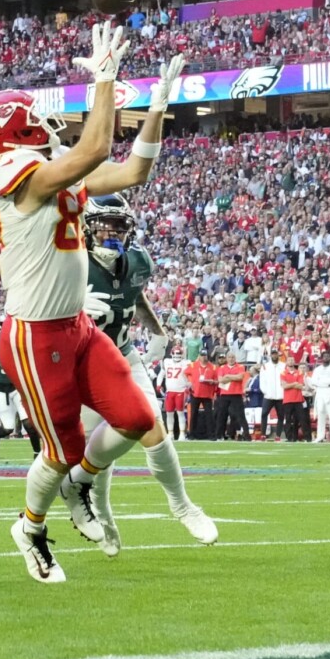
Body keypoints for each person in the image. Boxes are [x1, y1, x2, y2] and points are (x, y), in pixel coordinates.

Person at [0, 24, 208, 584]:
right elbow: (98, 147)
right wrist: (104, 79)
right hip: (35, 336)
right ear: (15, 133)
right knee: (62, 448)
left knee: (134, 417)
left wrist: (155, 108)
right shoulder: (11, 174)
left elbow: (132, 171)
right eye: (34, 117)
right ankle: (30, 528)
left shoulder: (52, 171)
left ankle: (82, 484)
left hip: (77, 327)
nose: (45, 121)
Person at [78, 192, 214, 555]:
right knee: (96, 453)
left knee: (151, 424)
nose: (112, 234)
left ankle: (183, 505)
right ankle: (104, 515)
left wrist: (156, 330)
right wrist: (72, 307)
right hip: (82, 367)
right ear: (86, 228)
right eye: (104, 226)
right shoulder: (69, 263)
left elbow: (135, 296)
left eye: (119, 227)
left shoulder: (138, 260)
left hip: (122, 356)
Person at [0, 331, 40, 458]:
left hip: (17, 388)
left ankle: (37, 453)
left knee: (29, 424)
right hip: (0, 390)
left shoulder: (21, 344)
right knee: (8, 428)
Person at [309, 353, 330, 443]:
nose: (326, 358)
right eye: (324, 356)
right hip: (320, 393)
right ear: (322, 358)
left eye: (327, 356)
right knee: (320, 414)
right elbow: (313, 381)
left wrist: (320, 382)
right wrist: (323, 383)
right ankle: (320, 436)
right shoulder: (317, 369)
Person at [159, 342, 188, 440]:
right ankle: (170, 433)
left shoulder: (186, 363)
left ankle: (182, 434)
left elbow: (191, 375)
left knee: (180, 412)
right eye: (175, 354)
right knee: (169, 413)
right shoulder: (167, 362)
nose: (177, 356)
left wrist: (189, 385)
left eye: (179, 354)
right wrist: (158, 384)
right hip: (170, 391)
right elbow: (161, 373)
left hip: (181, 390)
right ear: (171, 354)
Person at [279, 357, 306, 441]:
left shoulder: (299, 372)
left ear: (294, 361)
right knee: (288, 420)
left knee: (300, 419)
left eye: (292, 360)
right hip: (287, 400)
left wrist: (290, 384)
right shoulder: (283, 373)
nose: (291, 361)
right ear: (286, 362)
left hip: (298, 399)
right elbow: (284, 386)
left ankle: (299, 437)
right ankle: (289, 437)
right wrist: (295, 383)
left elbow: (301, 386)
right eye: (289, 360)